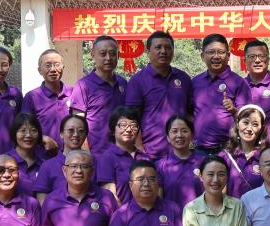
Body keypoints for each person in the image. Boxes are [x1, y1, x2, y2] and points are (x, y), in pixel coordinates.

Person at [125, 30, 193, 159]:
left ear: (173, 51)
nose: (163, 51)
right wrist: (139, 147)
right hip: (150, 152)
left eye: (168, 47)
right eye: (158, 47)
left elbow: (190, 113)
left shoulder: (183, 78)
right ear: (148, 52)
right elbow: (132, 118)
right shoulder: (137, 80)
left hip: (180, 151)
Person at [192, 33, 250, 153]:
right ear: (202, 56)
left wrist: (233, 110)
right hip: (199, 149)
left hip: (229, 149)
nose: (216, 56)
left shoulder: (239, 82)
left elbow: (248, 118)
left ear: (228, 55)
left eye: (221, 52)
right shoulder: (195, 82)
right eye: (211, 52)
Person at [70, 35, 127, 152]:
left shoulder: (123, 83)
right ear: (93, 55)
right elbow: (77, 124)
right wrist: (85, 153)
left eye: (112, 53)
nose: (108, 58)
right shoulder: (83, 85)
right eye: (103, 53)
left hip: (122, 152)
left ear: (118, 55)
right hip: (96, 153)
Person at [21, 48, 73, 152]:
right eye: (48, 65)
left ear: (63, 67)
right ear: (40, 70)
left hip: (72, 156)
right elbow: (24, 128)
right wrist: (42, 138)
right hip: (43, 155)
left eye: (57, 64)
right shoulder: (32, 97)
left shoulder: (74, 92)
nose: (53, 69)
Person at [33, 114, 89, 202]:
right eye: (70, 130)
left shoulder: (93, 164)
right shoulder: (48, 166)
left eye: (81, 131)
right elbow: (42, 199)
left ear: (85, 135)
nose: (76, 134)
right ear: (61, 134)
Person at [96, 107, 145, 204]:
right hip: (120, 212)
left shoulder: (144, 158)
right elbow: (110, 196)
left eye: (134, 125)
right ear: (113, 130)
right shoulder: (107, 158)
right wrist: (124, 213)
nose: (129, 129)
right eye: (123, 125)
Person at [156, 115, 205, 209]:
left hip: (200, 217)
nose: (179, 135)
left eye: (184, 131)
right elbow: (158, 201)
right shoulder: (160, 167)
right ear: (168, 137)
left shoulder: (204, 163)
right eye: (174, 131)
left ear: (192, 135)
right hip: (171, 217)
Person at [223, 105, 268, 198]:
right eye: (245, 123)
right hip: (232, 207)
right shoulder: (225, 157)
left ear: (261, 129)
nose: (249, 129)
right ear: (237, 124)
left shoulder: (266, 157)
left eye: (255, 124)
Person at [8, 113, 48, 198]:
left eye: (33, 130)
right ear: (14, 133)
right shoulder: (5, 162)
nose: (28, 135)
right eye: (23, 130)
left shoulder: (44, 165)